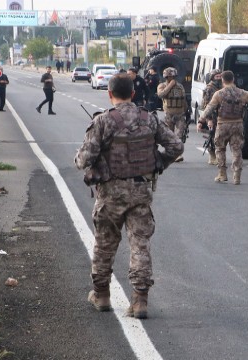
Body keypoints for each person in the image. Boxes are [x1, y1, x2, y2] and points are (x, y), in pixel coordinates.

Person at [74, 74, 184, 319]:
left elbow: (84, 160)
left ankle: (101, 296)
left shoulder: (103, 121)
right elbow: (176, 146)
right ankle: (140, 301)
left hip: (110, 195)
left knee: (105, 244)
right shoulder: (150, 119)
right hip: (141, 193)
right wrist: (157, 164)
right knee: (140, 245)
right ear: (133, 94)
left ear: (109, 94)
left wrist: (84, 157)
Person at [204, 70, 248, 185]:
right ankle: (237, 175)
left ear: (222, 80)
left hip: (222, 124)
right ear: (233, 79)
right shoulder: (242, 93)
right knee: (236, 149)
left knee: (220, 149)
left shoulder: (219, 94)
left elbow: (209, 108)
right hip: (238, 124)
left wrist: (202, 120)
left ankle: (222, 174)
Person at [157, 67, 187, 162]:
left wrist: (187, 111)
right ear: (166, 77)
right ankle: (171, 153)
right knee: (169, 135)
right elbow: (161, 95)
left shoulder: (180, 86)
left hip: (180, 114)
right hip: (169, 114)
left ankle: (178, 155)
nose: (171, 78)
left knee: (179, 135)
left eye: (173, 76)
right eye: (169, 76)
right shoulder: (162, 86)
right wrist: (169, 86)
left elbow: (184, 100)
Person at [196, 69, 223, 166]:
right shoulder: (210, 88)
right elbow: (206, 105)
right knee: (212, 136)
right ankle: (212, 156)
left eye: (220, 76)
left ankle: (218, 155)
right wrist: (209, 119)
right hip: (212, 115)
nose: (219, 78)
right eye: (217, 76)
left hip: (221, 115)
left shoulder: (222, 87)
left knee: (219, 137)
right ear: (212, 77)